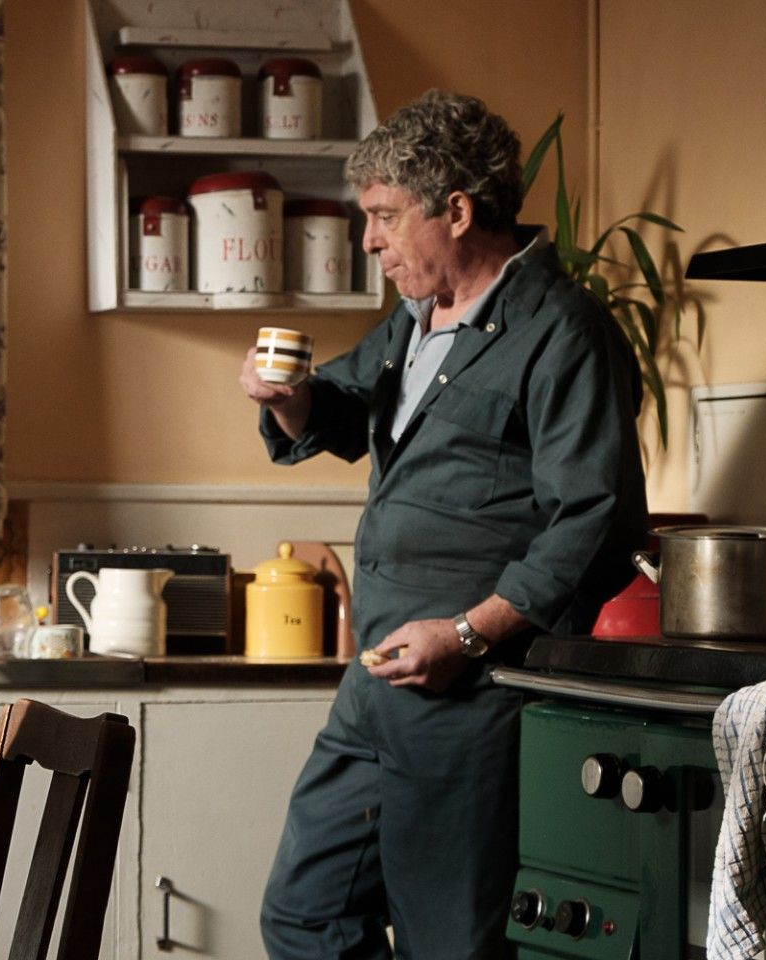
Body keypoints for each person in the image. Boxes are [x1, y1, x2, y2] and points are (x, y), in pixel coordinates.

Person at [245, 90, 648, 958]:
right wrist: (291, 400)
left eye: (386, 216)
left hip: (470, 689)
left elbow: (598, 519)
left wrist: (467, 636)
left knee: (448, 942)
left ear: (457, 211)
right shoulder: (413, 323)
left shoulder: (563, 332)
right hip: (379, 678)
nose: (369, 241)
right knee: (305, 915)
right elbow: (343, 411)